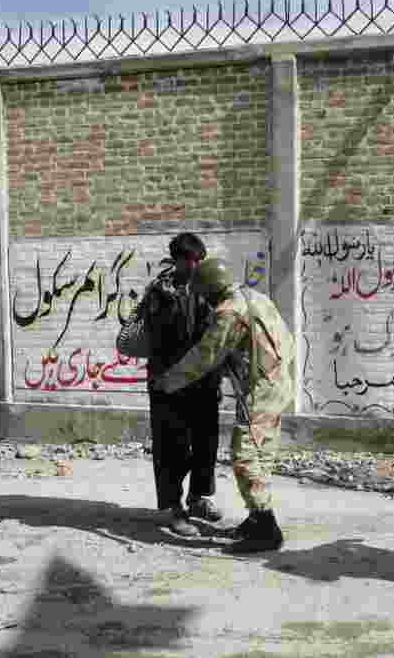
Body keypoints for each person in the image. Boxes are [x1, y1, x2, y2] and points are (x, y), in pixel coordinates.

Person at [152, 258, 296, 554]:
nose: (201, 298)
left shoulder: (230, 312)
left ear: (208, 290)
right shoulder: (254, 296)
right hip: (278, 382)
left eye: (202, 292)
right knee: (261, 453)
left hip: (260, 391)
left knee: (245, 455)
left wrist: (168, 381)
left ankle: (267, 530)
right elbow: (288, 341)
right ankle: (256, 519)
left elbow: (205, 355)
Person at [119, 233, 223, 537]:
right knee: (172, 447)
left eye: (199, 259)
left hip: (203, 381)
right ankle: (173, 508)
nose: (196, 265)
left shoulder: (209, 289)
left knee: (206, 443)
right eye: (190, 260)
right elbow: (160, 340)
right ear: (177, 260)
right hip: (168, 383)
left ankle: (198, 498)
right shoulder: (160, 293)